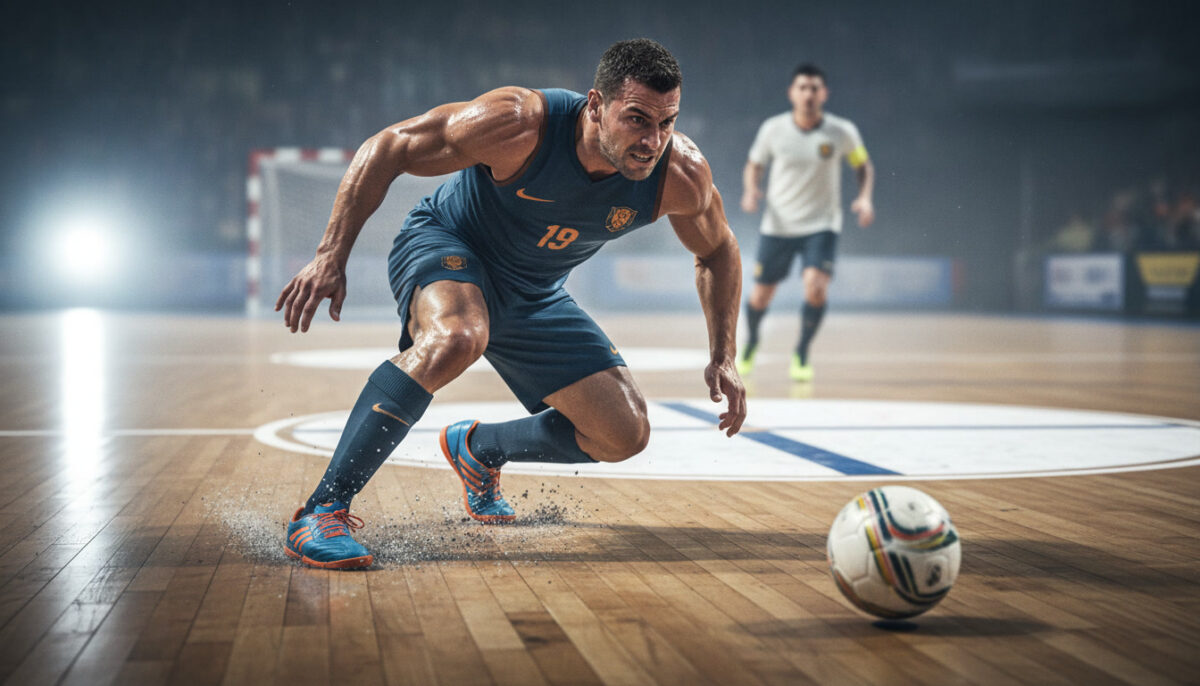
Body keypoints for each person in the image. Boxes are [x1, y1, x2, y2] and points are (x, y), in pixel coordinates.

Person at [274, 39, 747, 569]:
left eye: (666, 123)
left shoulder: (679, 175)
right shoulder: (520, 123)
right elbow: (390, 146)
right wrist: (329, 255)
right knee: (458, 336)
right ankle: (322, 510)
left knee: (624, 433)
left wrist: (723, 354)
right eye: (637, 119)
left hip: (532, 290)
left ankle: (480, 449)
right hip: (448, 244)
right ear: (595, 106)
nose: (652, 141)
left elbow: (719, 252)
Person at [737, 63, 875, 382]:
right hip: (779, 224)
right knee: (760, 296)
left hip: (822, 224)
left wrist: (865, 197)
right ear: (792, 93)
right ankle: (752, 343)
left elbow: (863, 166)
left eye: (814, 88)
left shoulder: (842, 132)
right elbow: (754, 164)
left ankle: (801, 352)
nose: (808, 94)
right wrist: (750, 190)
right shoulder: (773, 129)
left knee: (815, 288)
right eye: (802, 87)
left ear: (824, 94)